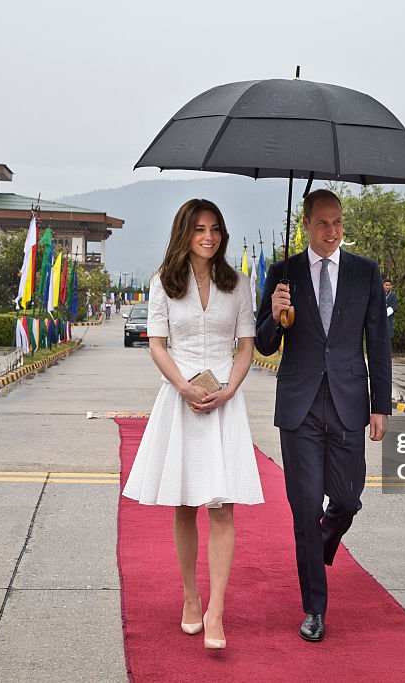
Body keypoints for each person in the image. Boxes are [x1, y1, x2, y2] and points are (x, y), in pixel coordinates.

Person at [122, 199, 263, 651]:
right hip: (180, 400)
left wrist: (227, 389)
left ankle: (216, 610)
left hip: (224, 402)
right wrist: (183, 386)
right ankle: (190, 595)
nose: (208, 236)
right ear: (184, 232)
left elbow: (246, 347)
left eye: (216, 229)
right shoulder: (163, 284)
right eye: (200, 228)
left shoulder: (238, 283)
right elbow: (157, 345)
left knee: (222, 508)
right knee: (184, 504)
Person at [255, 189, 391, 642]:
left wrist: (380, 404)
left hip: (350, 402)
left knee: (348, 500)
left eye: (337, 223)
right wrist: (275, 316)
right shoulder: (284, 272)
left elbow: (379, 341)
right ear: (307, 225)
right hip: (300, 407)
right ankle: (314, 607)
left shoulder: (364, 273)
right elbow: (265, 344)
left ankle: (324, 542)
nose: (331, 231)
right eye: (322, 223)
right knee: (304, 509)